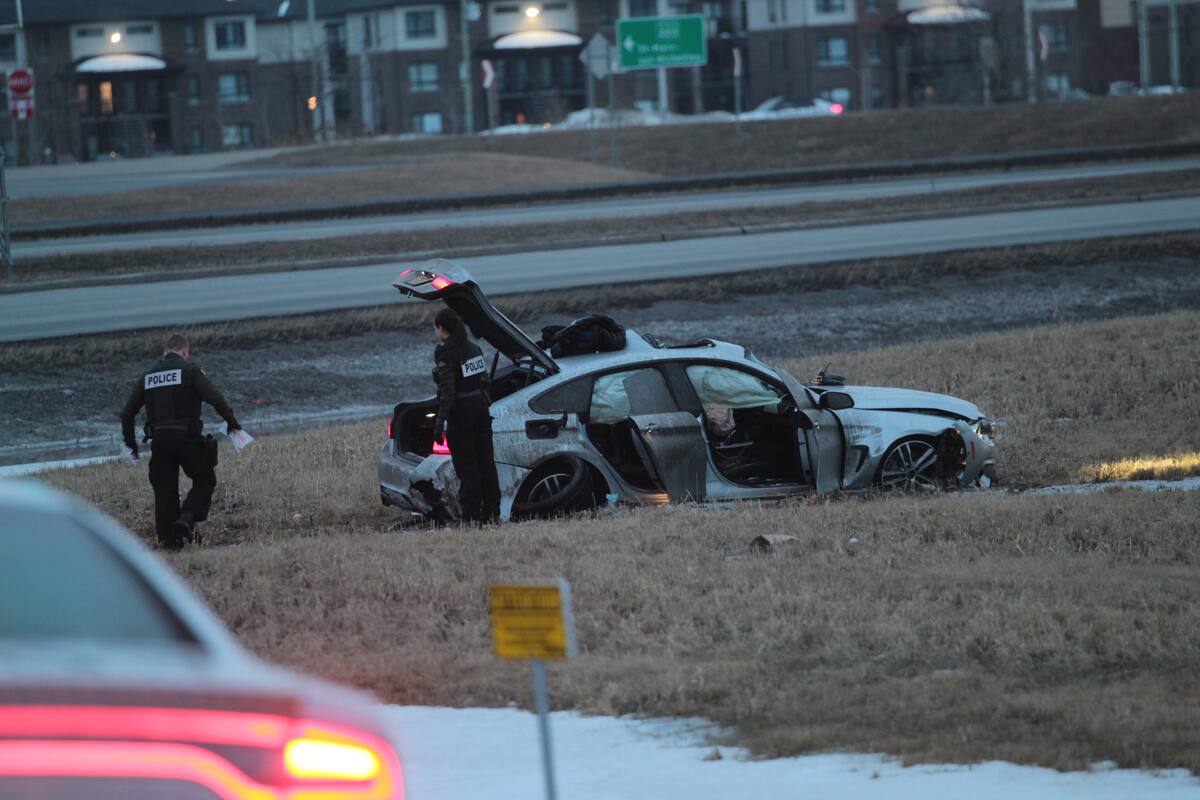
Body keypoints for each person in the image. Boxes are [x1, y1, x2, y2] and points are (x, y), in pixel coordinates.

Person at [121, 334, 241, 550]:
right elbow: (215, 398)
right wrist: (233, 423)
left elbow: (127, 413)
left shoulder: (147, 377)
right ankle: (186, 518)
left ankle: (169, 543)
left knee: (164, 491)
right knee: (205, 480)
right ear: (184, 352)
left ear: (165, 352)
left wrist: (131, 444)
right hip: (187, 438)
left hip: (159, 442)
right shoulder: (190, 371)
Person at [432, 307, 501, 524]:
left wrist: (440, 421)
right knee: (486, 465)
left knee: (467, 468)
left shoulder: (446, 354)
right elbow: (485, 382)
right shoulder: (475, 349)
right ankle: (492, 515)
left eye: (436, 328)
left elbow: (448, 392)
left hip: (461, 415)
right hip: (481, 410)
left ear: (441, 329)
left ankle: (471, 519)